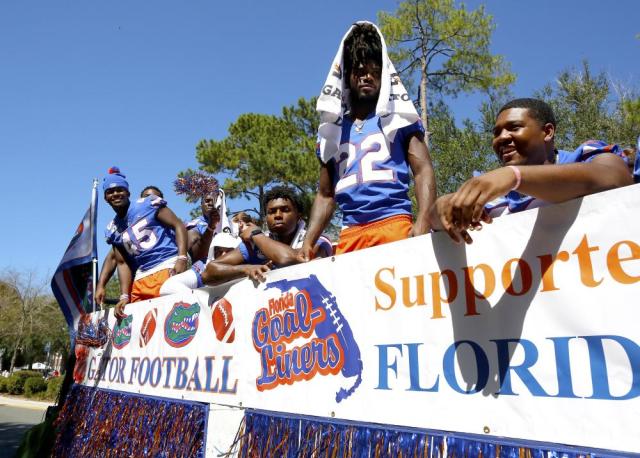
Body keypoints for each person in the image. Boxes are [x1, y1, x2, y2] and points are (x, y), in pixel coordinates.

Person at [300, 22, 436, 258]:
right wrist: (308, 242)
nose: (367, 76)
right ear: (346, 75)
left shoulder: (400, 118)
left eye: (374, 70)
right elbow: (325, 194)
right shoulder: (331, 130)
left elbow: (423, 170)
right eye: (360, 70)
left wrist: (424, 219)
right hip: (350, 233)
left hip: (394, 223)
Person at [430, 98, 632, 243]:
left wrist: (514, 177)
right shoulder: (490, 199)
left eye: (514, 127)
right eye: (496, 132)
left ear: (547, 132)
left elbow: (617, 178)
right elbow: (436, 220)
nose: (501, 137)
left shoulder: (585, 156)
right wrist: (442, 208)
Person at [161, 186, 332, 292]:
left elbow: (291, 259)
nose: (278, 215)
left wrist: (256, 235)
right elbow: (209, 271)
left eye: (285, 210)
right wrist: (245, 269)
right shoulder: (255, 244)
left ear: (299, 215)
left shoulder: (316, 239)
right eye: (272, 212)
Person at [102, 168, 188, 316]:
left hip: (166, 264)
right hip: (142, 275)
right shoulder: (112, 229)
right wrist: (124, 295)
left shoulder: (148, 203)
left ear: (128, 192)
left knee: (173, 316)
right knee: (140, 322)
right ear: (105, 197)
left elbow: (178, 225)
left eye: (119, 189)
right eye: (110, 191)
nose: (115, 194)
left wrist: (182, 257)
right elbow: (122, 263)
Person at [95, 185, 164, 306]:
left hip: (164, 271)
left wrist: (182, 259)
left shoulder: (170, 225)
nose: (149, 200)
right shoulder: (123, 229)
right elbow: (113, 258)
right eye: (146, 197)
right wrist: (101, 286)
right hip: (139, 280)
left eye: (153, 197)